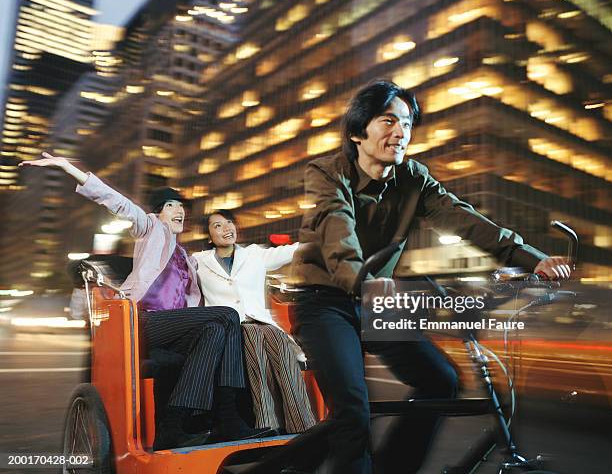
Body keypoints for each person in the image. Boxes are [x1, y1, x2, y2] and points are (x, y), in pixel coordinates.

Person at [290, 80, 572, 473]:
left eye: (406, 123)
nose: (400, 131)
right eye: (388, 120)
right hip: (326, 302)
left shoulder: (414, 178)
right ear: (357, 131)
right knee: (353, 410)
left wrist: (532, 259)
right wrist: (361, 280)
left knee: (440, 381)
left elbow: (466, 219)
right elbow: (338, 231)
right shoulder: (327, 173)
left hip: (376, 302)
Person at [19, 153, 271, 450]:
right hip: (143, 322)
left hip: (175, 329)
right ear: (157, 212)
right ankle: (228, 419)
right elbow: (116, 202)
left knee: (217, 329)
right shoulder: (152, 230)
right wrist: (68, 168)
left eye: (180, 206)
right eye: (170, 205)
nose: (178, 210)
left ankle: (175, 426)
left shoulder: (188, 259)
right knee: (225, 316)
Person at [192, 209, 316, 434]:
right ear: (209, 237)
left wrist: (321, 236)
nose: (226, 228)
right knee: (256, 345)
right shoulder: (198, 261)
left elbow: (292, 251)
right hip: (230, 327)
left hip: (261, 321)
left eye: (229, 223)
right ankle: (268, 425)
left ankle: (303, 425)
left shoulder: (254, 254)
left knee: (279, 342)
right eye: (218, 226)